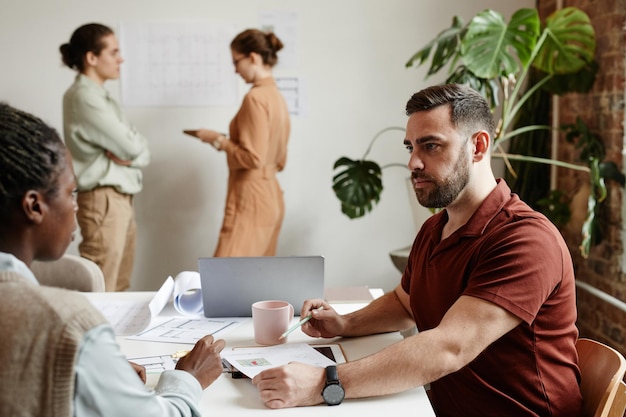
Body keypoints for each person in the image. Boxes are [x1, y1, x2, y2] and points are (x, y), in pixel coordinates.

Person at [252, 84, 584, 416]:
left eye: (430, 146)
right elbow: (404, 301)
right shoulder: (435, 228)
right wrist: (345, 324)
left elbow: (449, 348)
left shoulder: (525, 240)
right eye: (411, 147)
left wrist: (321, 383)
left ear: (478, 146)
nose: (413, 162)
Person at [0, 103, 225, 416]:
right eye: (71, 193)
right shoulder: (67, 324)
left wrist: (97, 368)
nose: (76, 207)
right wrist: (188, 379)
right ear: (34, 206)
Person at [60, 23, 150, 291]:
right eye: (114, 52)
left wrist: (134, 148)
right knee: (102, 288)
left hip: (118, 199)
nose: (120, 58)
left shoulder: (100, 96)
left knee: (118, 286)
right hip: (103, 200)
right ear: (91, 58)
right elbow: (133, 147)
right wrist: (134, 148)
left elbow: (138, 148)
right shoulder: (84, 97)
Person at [194, 28, 291, 257]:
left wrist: (217, 140)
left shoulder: (255, 98)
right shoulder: (276, 96)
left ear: (253, 58)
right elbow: (279, 157)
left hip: (251, 195)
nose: (235, 69)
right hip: (272, 194)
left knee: (225, 277)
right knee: (256, 278)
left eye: (236, 61)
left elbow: (252, 158)